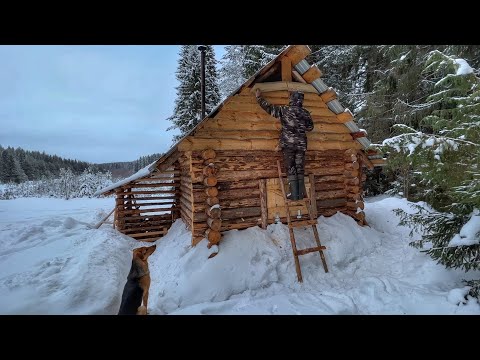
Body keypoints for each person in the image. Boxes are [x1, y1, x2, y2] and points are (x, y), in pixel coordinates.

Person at [255, 88, 314, 200]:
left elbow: (269, 109)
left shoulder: (284, 110)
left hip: (288, 145)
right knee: (299, 168)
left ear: (292, 99)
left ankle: (294, 195)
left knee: (290, 168)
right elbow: (310, 127)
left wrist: (259, 98)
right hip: (301, 145)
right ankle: (300, 194)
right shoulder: (305, 113)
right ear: (301, 100)